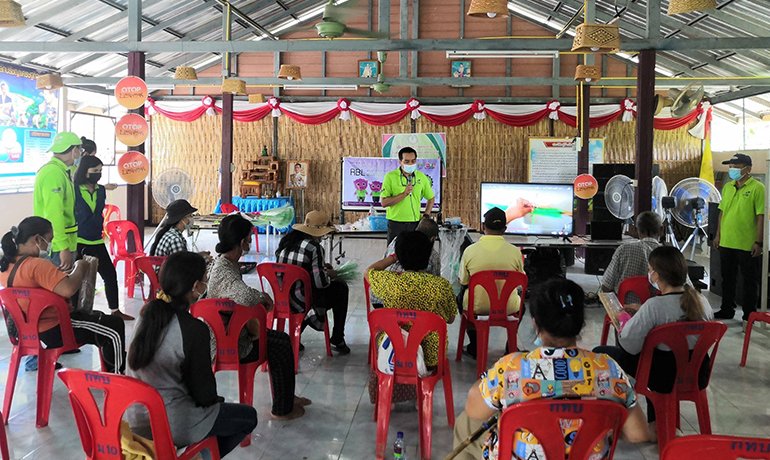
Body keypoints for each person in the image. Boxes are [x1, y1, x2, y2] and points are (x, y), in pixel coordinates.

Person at [453, 278, 649, 460]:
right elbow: (637, 433)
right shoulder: (609, 369)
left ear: (535, 323)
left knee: (465, 424)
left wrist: (490, 379)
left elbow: (474, 410)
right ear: (580, 324)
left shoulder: (511, 367)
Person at [128, 251, 257, 457]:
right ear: (196, 287)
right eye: (205, 280)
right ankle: (199, 456)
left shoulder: (146, 316)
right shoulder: (193, 329)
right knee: (248, 417)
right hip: (171, 424)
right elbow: (204, 395)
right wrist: (215, 401)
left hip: (137, 420)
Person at [594, 246, 714, 432]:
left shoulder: (654, 306)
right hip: (698, 374)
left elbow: (629, 345)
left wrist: (623, 320)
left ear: (656, 275)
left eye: (650, 270)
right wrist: (643, 310)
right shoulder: (701, 302)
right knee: (655, 356)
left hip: (662, 377)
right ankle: (658, 423)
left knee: (600, 353)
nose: (649, 274)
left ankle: (610, 420)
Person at [207, 214, 311, 420]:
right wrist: (262, 297)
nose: (249, 242)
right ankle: (283, 409)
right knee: (281, 344)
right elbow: (244, 296)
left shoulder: (225, 262)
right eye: (248, 238)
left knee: (280, 341)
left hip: (229, 332)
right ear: (241, 242)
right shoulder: (224, 270)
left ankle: (287, 398)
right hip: (228, 342)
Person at [0, 217, 126, 373]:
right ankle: (118, 376)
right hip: (53, 330)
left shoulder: (6, 266)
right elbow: (68, 289)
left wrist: (58, 276)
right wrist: (80, 266)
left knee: (99, 318)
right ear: (37, 239)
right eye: (49, 240)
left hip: (25, 332)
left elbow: (33, 288)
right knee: (114, 326)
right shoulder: (37, 265)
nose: (50, 245)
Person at [365, 231, 456, 403]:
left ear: (399, 256)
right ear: (428, 256)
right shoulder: (441, 286)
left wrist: (393, 258)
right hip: (431, 358)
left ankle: (390, 392)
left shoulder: (390, 282)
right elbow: (450, 319)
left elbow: (369, 271)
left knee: (381, 336)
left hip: (394, 353)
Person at [275, 210, 350, 354]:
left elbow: (296, 269)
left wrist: (321, 267)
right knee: (341, 288)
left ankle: (293, 338)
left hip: (283, 299)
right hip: (303, 302)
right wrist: (330, 274)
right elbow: (320, 283)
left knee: (308, 290)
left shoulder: (286, 242)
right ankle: (337, 338)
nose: (323, 237)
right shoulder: (314, 247)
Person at [457, 207, 525, 358]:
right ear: (505, 229)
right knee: (522, 306)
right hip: (508, 306)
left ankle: (474, 345)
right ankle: (510, 346)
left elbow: (463, 280)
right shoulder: (515, 252)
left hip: (477, 307)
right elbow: (521, 281)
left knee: (461, 297)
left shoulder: (470, 251)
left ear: (483, 226)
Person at [73, 155, 134, 321]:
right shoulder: (74, 189)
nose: (98, 173)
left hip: (97, 240)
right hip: (79, 240)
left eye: (100, 170)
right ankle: (76, 313)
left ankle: (115, 310)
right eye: (95, 170)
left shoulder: (100, 190)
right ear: (85, 171)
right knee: (77, 279)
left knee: (110, 275)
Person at [713, 153, 765, 321]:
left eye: (736, 167)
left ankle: (749, 314)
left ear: (748, 169)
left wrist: (759, 242)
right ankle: (727, 309)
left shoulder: (758, 188)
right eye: (731, 167)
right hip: (727, 241)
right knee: (727, 278)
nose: (732, 170)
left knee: (750, 280)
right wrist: (718, 235)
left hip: (747, 243)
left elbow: (761, 216)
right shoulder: (728, 187)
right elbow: (722, 212)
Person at [33, 131, 82, 271]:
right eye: (80, 149)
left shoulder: (62, 171)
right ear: (74, 151)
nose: (80, 154)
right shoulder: (53, 173)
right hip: (57, 245)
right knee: (60, 283)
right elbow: (54, 213)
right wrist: (63, 247)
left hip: (65, 241)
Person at [601, 211, 662, 302]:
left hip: (624, 308)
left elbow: (606, 287)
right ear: (661, 230)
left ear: (635, 230)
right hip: (656, 309)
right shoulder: (669, 255)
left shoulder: (623, 249)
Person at [380, 147, 435, 244]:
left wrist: (426, 215)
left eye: (413, 161)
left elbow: (431, 198)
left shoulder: (421, 177)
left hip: (415, 224)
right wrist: (403, 194)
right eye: (407, 161)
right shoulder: (390, 177)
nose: (410, 164)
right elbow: (384, 203)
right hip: (395, 224)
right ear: (400, 162)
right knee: (394, 252)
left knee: (414, 251)